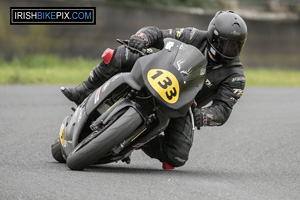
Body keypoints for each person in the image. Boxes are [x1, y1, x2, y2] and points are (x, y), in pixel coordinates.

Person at [61, 10, 247, 169]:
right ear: (213, 36)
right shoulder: (193, 35)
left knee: (177, 156)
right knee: (121, 54)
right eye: (226, 43)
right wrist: (142, 38)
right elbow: (158, 34)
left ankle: (138, 140)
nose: (230, 50)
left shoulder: (235, 76)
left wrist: (203, 115)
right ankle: (83, 91)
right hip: (157, 72)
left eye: (236, 46)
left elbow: (222, 110)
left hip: (182, 106)